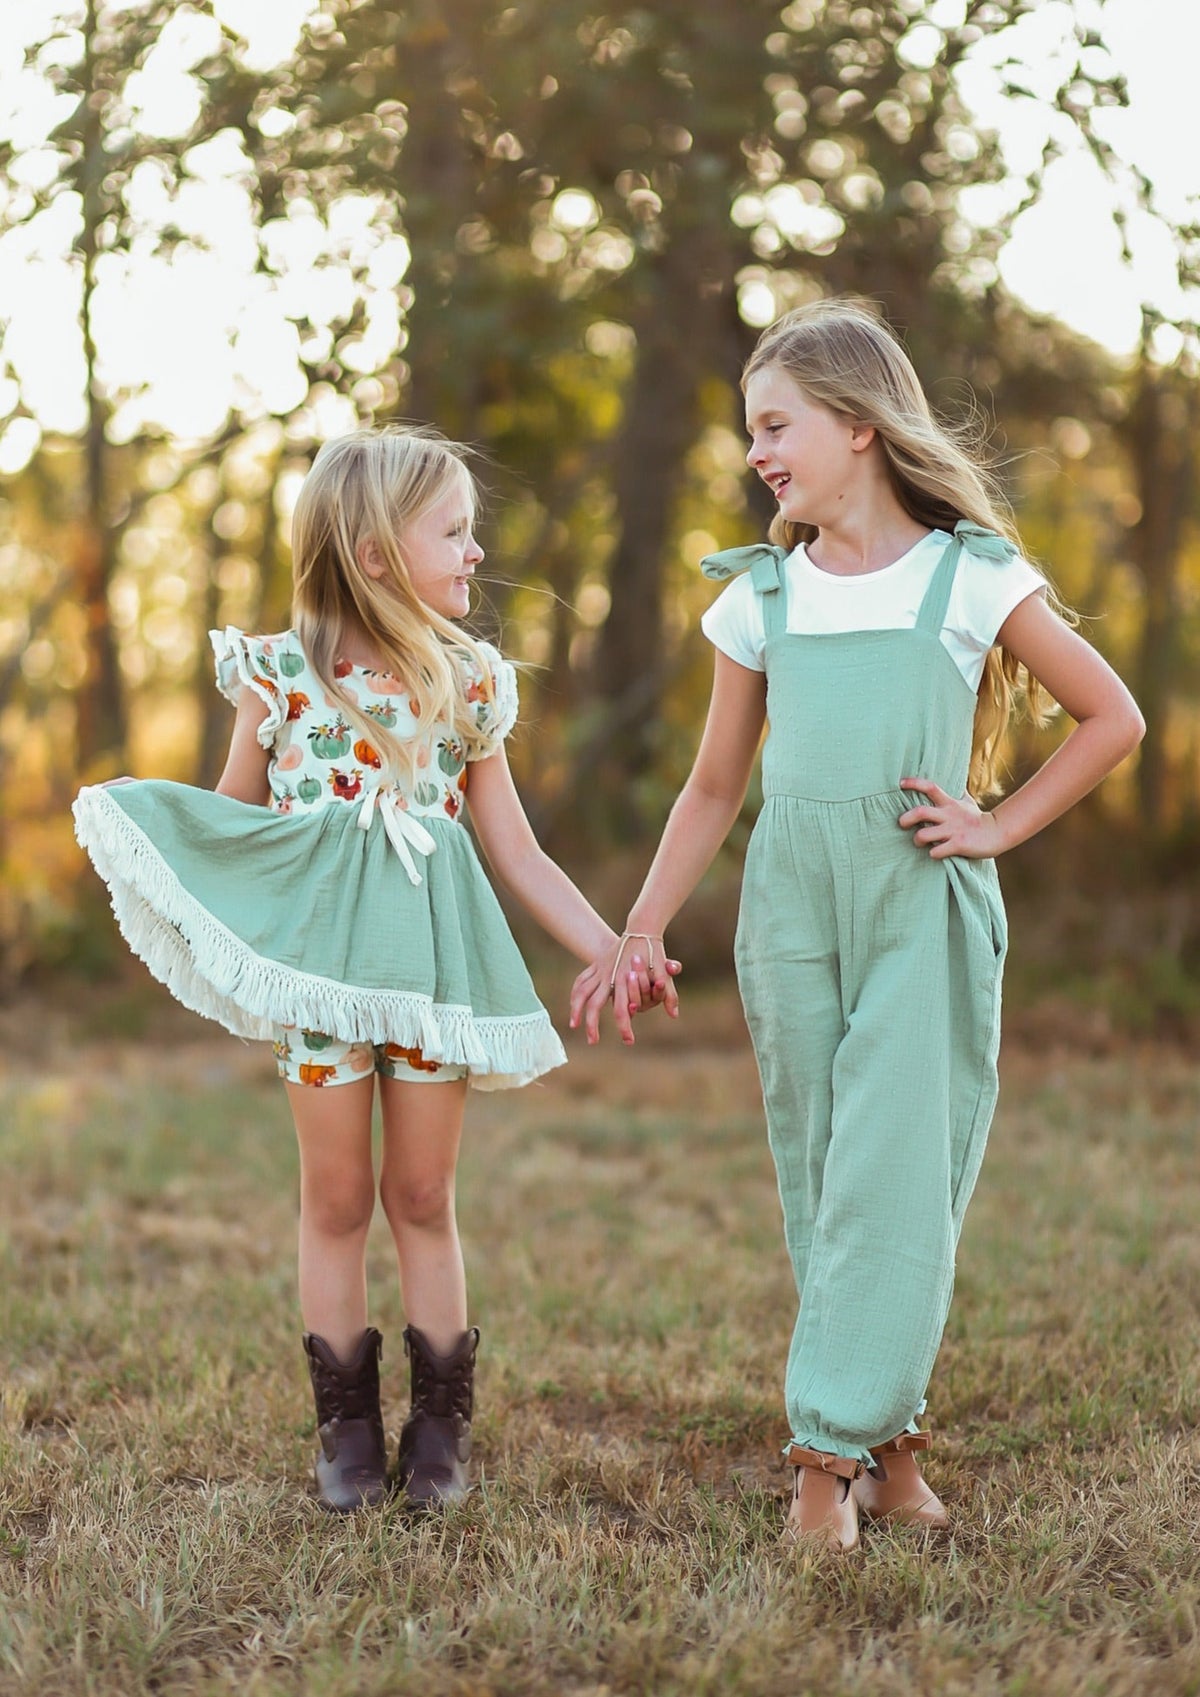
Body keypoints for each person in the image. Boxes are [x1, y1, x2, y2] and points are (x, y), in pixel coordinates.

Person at [570, 297, 1145, 1552]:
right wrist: (641, 926)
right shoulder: (758, 597)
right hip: (790, 913)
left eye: (777, 424)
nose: (759, 453)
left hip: (915, 904)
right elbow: (714, 785)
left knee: (893, 1173)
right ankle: (894, 1452)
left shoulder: (972, 574)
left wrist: (996, 825)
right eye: (750, 431)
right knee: (829, 1176)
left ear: (860, 427)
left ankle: (821, 1465)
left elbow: (1114, 718)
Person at [74, 425, 623, 1514]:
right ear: (375, 555)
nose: (478, 552)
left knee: (421, 1192)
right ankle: (347, 1428)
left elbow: (513, 845)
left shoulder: (468, 684)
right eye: (455, 532)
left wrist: (604, 942)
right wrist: (161, 850)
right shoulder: (278, 676)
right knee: (334, 1196)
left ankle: (439, 1426)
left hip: (428, 976)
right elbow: (232, 827)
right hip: (325, 983)